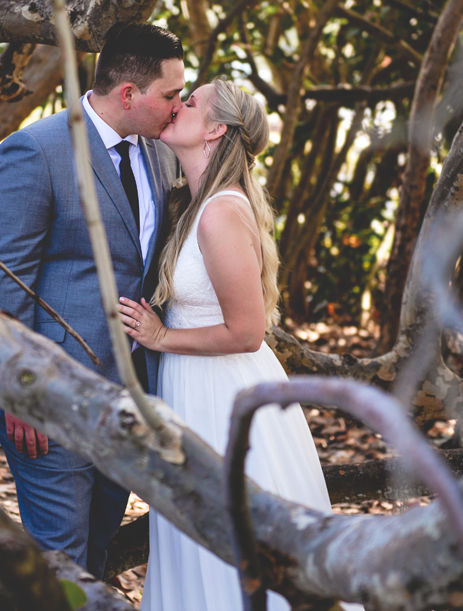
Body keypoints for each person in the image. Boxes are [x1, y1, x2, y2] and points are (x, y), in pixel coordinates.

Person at [119, 81, 347, 611]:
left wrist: (161, 336)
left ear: (216, 129)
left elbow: (246, 331)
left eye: (191, 101)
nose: (178, 106)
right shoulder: (192, 204)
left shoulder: (222, 210)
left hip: (224, 399)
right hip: (192, 390)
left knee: (235, 551)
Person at [0, 21, 184, 578]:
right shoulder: (35, 150)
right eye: (171, 95)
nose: (178, 106)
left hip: (129, 396)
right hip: (50, 394)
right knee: (59, 554)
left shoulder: (161, 158)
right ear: (129, 94)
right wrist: (20, 389)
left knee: (94, 549)